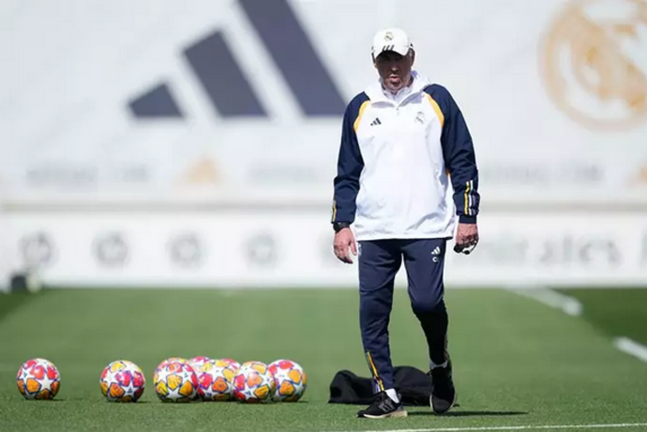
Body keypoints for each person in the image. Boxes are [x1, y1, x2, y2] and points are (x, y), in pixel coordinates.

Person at [331, 27, 480, 419]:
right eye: (385, 59)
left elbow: (462, 159)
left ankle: (439, 364)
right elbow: (347, 173)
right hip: (375, 230)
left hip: (427, 226)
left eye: (398, 58)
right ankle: (388, 394)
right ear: (375, 62)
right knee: (372, 314)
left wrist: (467, 215)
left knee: (426, 303)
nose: (392, 67)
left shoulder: (437, 99)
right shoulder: (360, 106)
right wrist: (341, 224)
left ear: (412, 57)